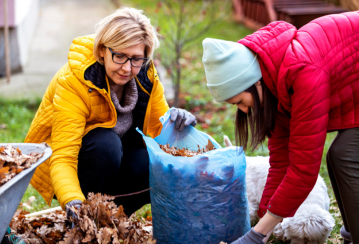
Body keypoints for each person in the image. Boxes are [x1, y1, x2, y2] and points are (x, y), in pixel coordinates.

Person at [202, 11, 359, 244]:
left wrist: (257, 234)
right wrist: (266, 219)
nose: (244, 111)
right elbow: (281, 164)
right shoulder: (276, 84)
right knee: (341, 155)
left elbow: (303, 170)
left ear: (254, 82)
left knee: (344, 154)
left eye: (240, 102)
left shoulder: (303, 70)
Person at [24, 7, 196, 219]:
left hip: (115, 162)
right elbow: (63, 157)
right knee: (107, 144)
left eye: (136, 58)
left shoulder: (146, 78)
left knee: (154, 164)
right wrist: (72, 199)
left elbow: (162, 135)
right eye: (119, 56)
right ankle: (83, 216)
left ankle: (107, 221)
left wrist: (179, 123)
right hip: (77, 166)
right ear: (102, 51)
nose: (126, 67)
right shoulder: (74, 81)